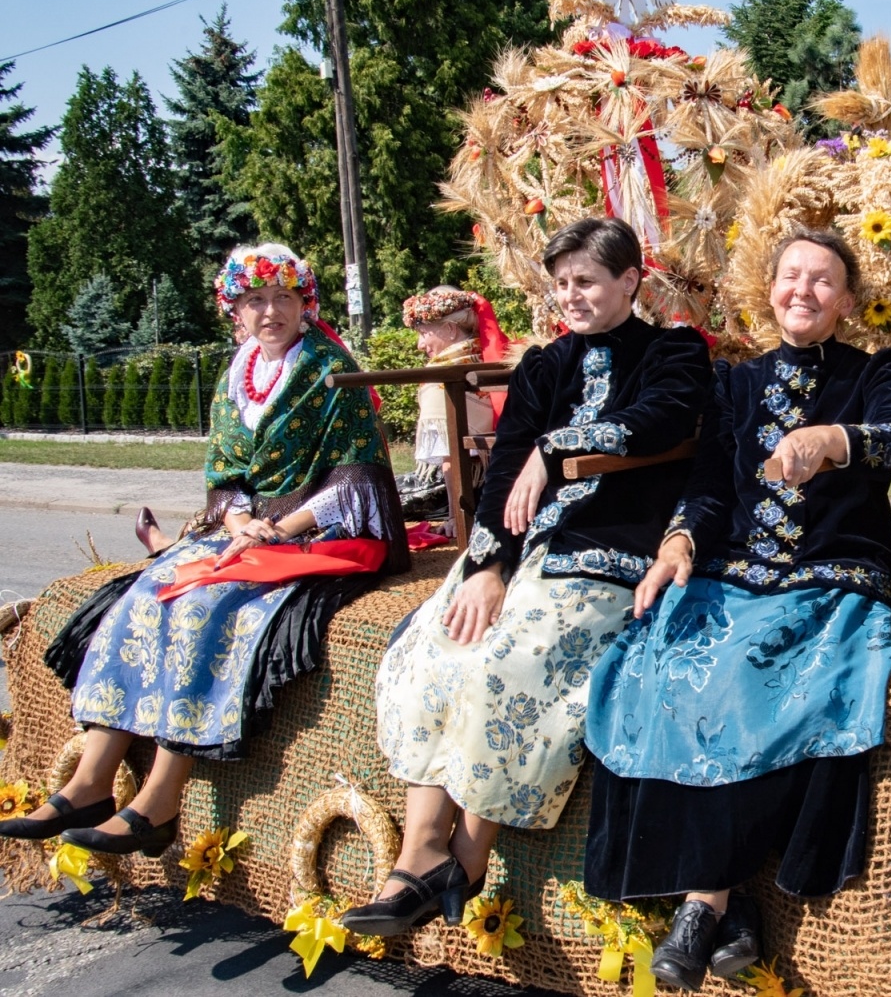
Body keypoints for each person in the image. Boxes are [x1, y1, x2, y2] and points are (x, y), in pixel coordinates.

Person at [347, 218, 712, 937]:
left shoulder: (673, 352)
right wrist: (486, 567)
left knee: (509, 661)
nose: (570, 296)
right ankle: (421, 852)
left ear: (630, 281)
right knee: (438, 645)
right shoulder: (545, 364)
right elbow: (505, 470)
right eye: (561, 283)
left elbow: (663, 418)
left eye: (586, 282)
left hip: (608, 549)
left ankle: (467, 854)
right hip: (526, 548)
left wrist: (558, 446)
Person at [583, 228, 891, 990]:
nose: (803, 290)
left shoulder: (874, 370)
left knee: (744, 678)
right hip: (737, 570)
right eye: (790, 275)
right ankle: (732, 910)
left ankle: (701, 903)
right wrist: (677, 543)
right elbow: (708, 484)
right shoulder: (735, 382)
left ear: (847, 301)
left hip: (833, 574)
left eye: (823, 280)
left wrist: (833, 438)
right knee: (655, 660)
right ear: (769, 291)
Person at [0, 243, 409, 858]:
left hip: (319, 532)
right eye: (255, 300)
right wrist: (241, 519)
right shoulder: (236, 373)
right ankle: (89, 783)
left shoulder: (330, 369)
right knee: (146, 594)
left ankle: (160, 801)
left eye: (283, 298)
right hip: (249, 529)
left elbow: (357, 478)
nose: (270, 311)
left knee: (205, 607)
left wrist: (279, 528)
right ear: (234, 311)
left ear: (305, 304)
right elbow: (225, 475)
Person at [394, 286, 510, 531]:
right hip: (506, 482)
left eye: (423, 333)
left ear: (450, 330)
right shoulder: (496, 356)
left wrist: (456, 518)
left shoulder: (439, 380)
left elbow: (451, 456)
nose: (419, 344)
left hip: (481, 495)